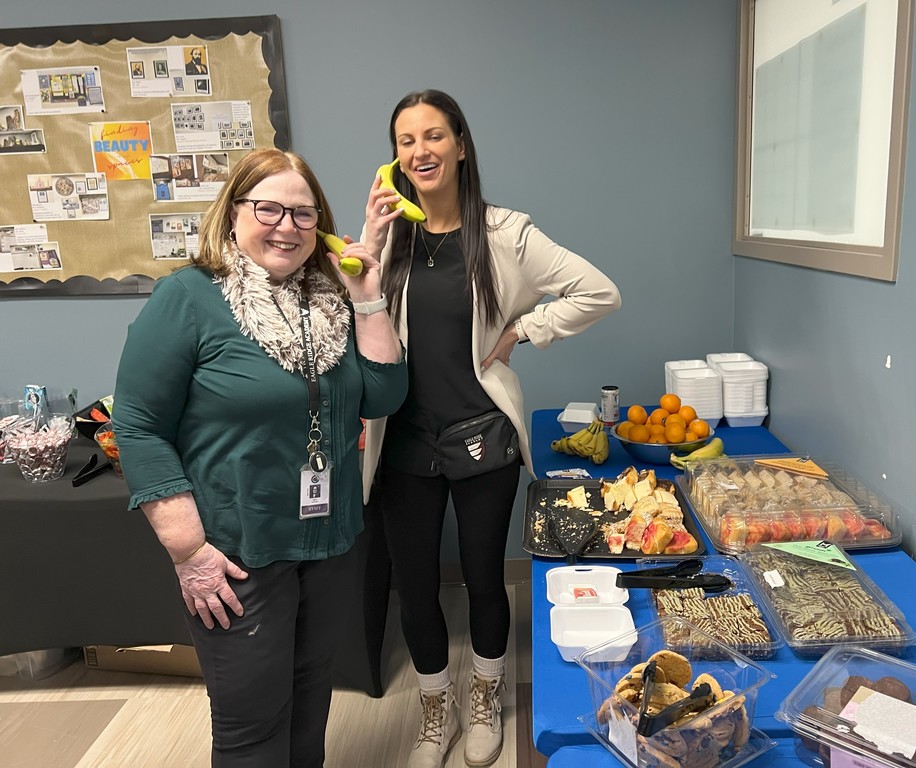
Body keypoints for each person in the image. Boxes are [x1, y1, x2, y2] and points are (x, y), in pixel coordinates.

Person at [114, 147, 407, 766]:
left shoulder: (327, 298)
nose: (287, 226)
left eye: (304, 214)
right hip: (235, 553)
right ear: (232, 214)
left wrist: (367, 295)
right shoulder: (189, 298)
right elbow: (137, 426)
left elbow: (383, 394)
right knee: (252, 727)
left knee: (309, 703)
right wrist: (188, 551)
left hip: (328, 542)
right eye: (268, 208)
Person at [361, 90, 621, 768]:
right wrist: (368, 238)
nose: (420, 150)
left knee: (482, 577)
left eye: (433, 136)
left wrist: (525, 330)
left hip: (483, 437)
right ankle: (434, 711)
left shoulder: (506, 233)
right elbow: (348, 316)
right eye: (405, 140)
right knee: (413, 586)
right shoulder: (388, 240)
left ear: (461, 144)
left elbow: (599, 291)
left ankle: (483, 698)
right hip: (404, 441)